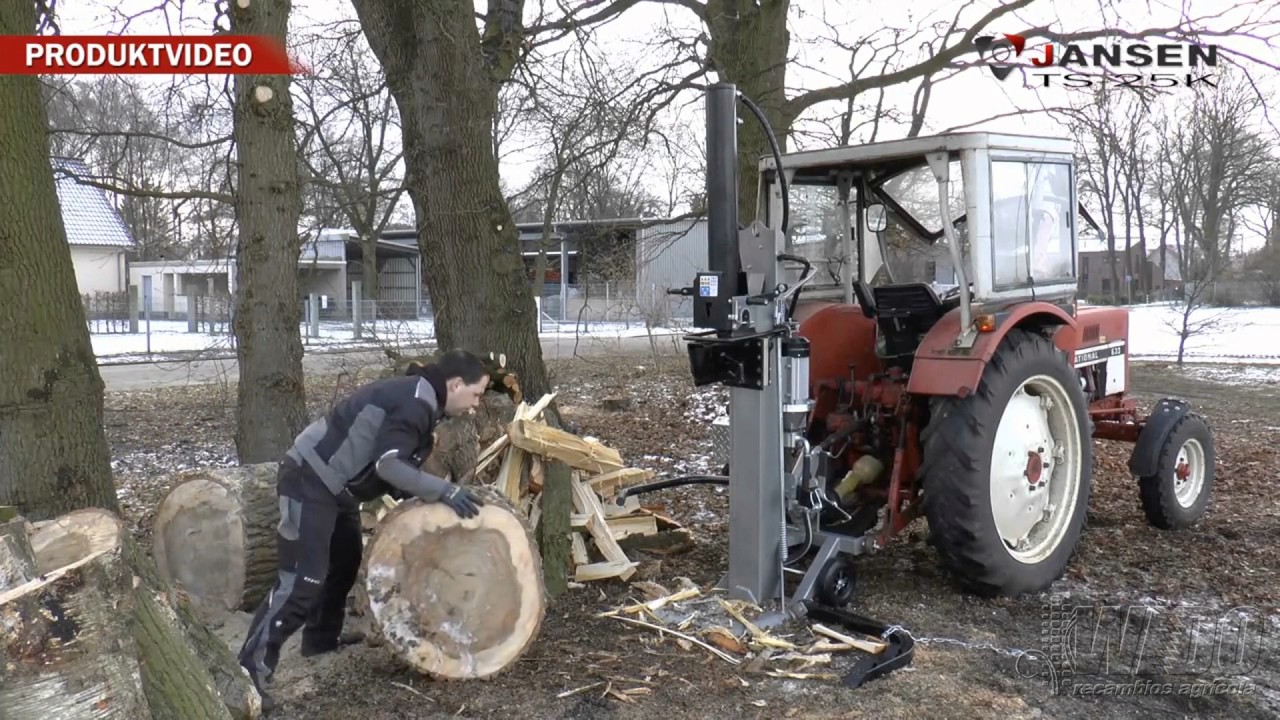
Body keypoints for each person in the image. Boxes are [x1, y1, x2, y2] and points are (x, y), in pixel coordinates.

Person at [237, 349, 490, 711]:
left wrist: (428, 496)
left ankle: (320, 639)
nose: (476, 405)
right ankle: (250, 673)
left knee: (345, 562)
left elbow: (389, 464)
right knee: (302, 580)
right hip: (309, 477)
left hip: (338, 487)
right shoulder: (416, 401)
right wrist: (444, 491)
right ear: (455, 384)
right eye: (476, 394)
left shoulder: (423, 399)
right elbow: (388, 466)